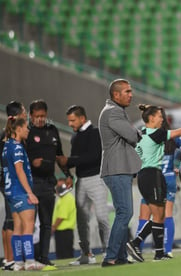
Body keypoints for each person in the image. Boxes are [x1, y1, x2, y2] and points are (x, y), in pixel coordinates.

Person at [126, 105, 181, 261]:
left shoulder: (141, 133)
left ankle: (159, 254)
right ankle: (136, 243)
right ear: (151, 118)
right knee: (159, 215)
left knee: (157, 215)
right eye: (160, 116)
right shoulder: (157, 134)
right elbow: (179, 132)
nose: (162, 119)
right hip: (153, 175)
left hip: (143, 176)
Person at [57, 105, 110, 265]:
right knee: (81, 220)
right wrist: (68, 173)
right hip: (80, 181)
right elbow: (75, 158)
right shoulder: (74, 137)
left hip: (96, 179)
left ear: (82, 118)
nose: (70, 124)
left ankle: (109, 251)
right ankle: (86, 253)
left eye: (73, 120)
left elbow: (94, 157)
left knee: (102, 217)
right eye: (69, 121)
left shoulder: (95, 133)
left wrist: (70, 161)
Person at [99, 79, 141, 267]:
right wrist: (137, 133)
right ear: (116, 95)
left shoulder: (115, 111)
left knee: (123, 212)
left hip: (117, 168)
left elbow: (130, 134)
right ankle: (111, 256)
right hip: (117, 169)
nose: (131, 94)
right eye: (127, 91)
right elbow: (132, 136)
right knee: (125, 212)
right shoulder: (113, 112)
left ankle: (121, 256)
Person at [26, 99, 72, 266]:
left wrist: (67, 174)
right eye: (37, 116)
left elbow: (59, 155)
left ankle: (43, 258)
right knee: (30, 224)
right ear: (30, 116)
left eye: (43, 116)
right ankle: (29, 258)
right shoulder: (26, 132)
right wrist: (32, 163)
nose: (40, 119)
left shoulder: (52, 130)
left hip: (48, 182)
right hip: (31, 183)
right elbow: (19, 159)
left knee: (46, 223)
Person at [2, 117, 44, 271]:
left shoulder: (7, 146)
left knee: (18, 227)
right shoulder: (18, 147)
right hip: (20, 191)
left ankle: (19, 263)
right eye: (26, 127)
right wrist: (30, 193)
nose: (28, 130)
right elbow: (19, 170)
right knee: (28, 225)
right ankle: (30, 261)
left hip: (10, 193)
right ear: (18, 129)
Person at [0, 101, 26, 271]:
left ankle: (9, 259)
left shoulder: (4, 133)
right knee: (12, 218)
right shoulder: (10, 135)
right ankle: (11, 260)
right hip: (11, 180)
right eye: (24, 111)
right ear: (17, 114)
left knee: (9, 220)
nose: (26, 113)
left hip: (5, 180)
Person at [51, 178, 76, 259]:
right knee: (62, 253)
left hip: (64, 231)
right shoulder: (63, 198)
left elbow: (61, 216)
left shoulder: (67, 198)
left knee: (65, 255)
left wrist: (53, 227)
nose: (58, 188)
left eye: (60, 186)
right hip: (61, 231)